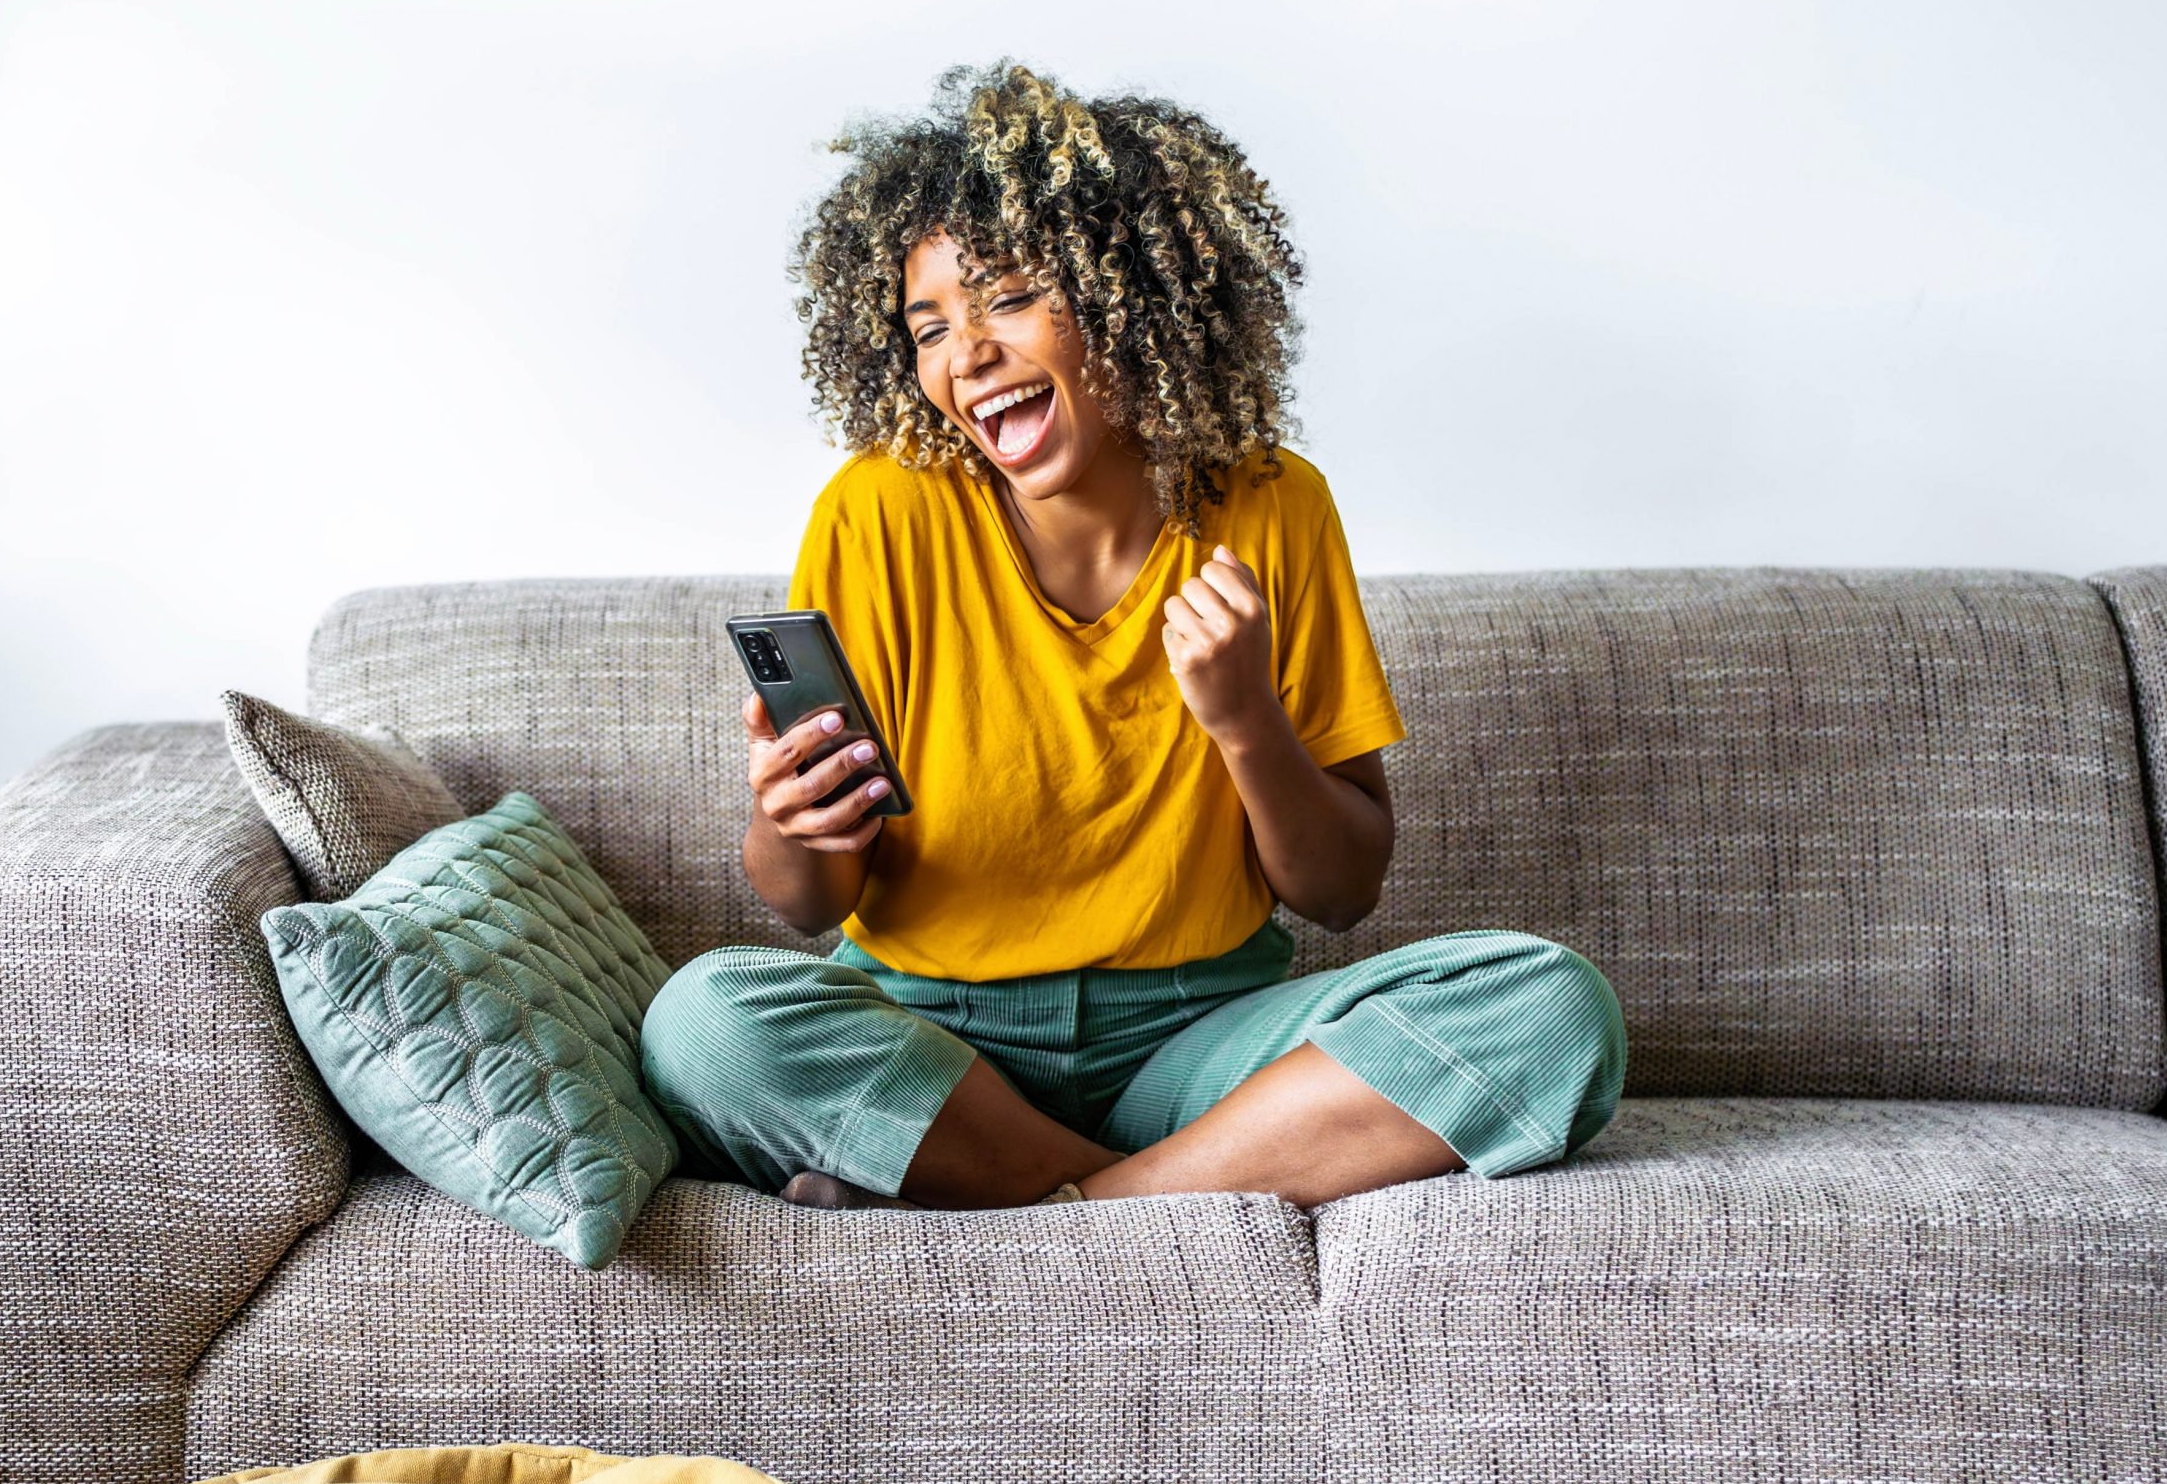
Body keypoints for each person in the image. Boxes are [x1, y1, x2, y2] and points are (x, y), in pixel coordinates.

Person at [641, 64, 1624, 1211]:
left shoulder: (1271, 504)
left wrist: (1247, 721)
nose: (966, 356)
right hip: (937, 1044)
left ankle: (1045, 1206)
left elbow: (1343, 891)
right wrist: (785, 818)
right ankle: (1163, 1194)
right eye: (930, 327)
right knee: (702, 1026)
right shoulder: (878, 513)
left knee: (1553, 1006)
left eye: (1007, 298)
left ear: (1131, 292)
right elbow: (807, 903)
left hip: (1201, 1045)